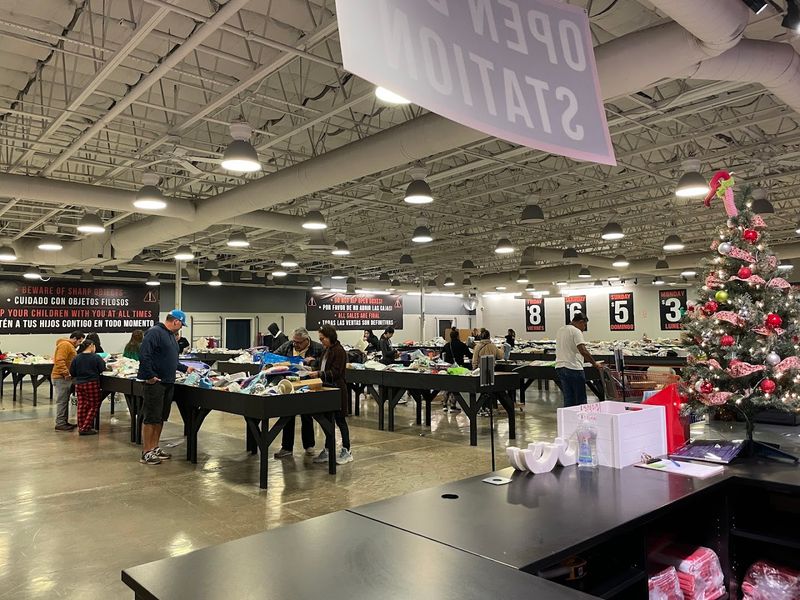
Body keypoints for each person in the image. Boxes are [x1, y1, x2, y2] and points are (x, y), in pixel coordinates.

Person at [137, 309, 194, 465]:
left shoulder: (170, 336)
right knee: (151, 418)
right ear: (175, 321)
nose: (181, 327)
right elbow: (144, 354)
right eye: (181, 324)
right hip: (156, 383)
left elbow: (171, 360)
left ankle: (155, 447)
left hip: (168, 382)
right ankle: (146, 452)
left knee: (160, 417)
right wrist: (149, 375)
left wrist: (185, 368)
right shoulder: (155, 332)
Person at [273, 327, 325, 459]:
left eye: (299, 342)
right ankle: (286, 447)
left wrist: (313, 363)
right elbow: (275, 357)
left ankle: (309, 446)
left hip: (307, 384)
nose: (295, 344)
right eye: (294, 342)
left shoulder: (318, 348)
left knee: (306, 414)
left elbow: (324, 365)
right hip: (289, 384)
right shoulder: (288, 346)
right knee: (287, 414)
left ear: (307, 340)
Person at [308, 324, 353, 465]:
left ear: (330, 337)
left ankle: (347, 450)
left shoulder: (339, 351)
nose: (321, 341)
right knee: (327, 421)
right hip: (326, 389)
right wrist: (312, 365)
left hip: (338, 390)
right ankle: (328, 449)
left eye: (323, 339)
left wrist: (319, 374)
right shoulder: (326, 350)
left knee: (340, 421)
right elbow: (323, 366)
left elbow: (336, 372)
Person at [555, 313, 601, 407]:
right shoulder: (576, 331)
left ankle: (568, 419)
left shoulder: (561, 330)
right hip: (573, 368)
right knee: (580, 398)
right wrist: (594, 363)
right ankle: (581, 420)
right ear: (580, 322)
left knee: (568, 398)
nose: (584, 328)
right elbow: (583, 351)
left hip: (560, 367)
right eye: (584, 325)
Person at [69, 339, 107, 436]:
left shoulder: (76, 358)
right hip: (92, 383)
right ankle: (85, 428)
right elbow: (102, 368)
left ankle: (81, 426)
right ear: (91, 346)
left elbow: (72, 372)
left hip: (79, 384)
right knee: (94, 405)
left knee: (81, 405)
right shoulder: (96, 357)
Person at [51, 331, 85, 431]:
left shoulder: (68, 346)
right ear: (74, 338)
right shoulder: (65, 345)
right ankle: (60, 423)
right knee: (62, 401)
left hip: (64, 377)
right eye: (79, 341)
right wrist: (66, 373)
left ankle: (64, 421)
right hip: (61, 377)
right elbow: (59, 360)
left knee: (65, 400)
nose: (79, 344)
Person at [441, 330, 471, 413]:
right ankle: (453, 406)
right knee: (456, 387)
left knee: (447, 386)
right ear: (458, 336)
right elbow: (469, 354)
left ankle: (444, 405)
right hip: (458, 369)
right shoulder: (462, 345)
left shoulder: (447, 345)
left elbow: (441, 355)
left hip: (448, 368)